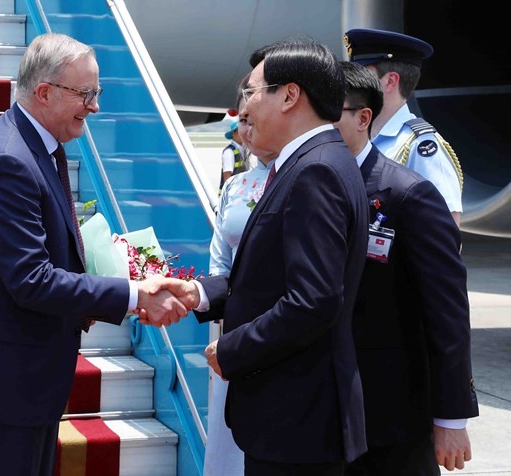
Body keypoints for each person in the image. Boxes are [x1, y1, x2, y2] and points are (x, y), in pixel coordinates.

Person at [0, 33, 186, 476]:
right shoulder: (7, 161)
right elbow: (31, 280)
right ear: (44, 92)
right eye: (86, 94)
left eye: (97, 93)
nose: (95, 106)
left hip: (23, 372)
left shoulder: (38, 146)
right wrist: (133, 294)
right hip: (7, 378)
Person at [150, 38, 370, 475]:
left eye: (251, 92)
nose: (243, 108)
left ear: (290, 95)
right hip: (294, 416)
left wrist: (232, 350)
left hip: (297, 419)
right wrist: (197, 293)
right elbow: (268, 278)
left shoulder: (316, 171)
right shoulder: (307, 163)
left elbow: (313, 300)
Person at [334, 60, 479, 475]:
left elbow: (445, 298)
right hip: (330, 401)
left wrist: (451, 415)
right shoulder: (316, 177)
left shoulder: (415, 166)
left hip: (393, 403)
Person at [204, 73, 276, 476]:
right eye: (242, 121)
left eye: (253, 120)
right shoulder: (237, 187)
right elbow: (219, 262)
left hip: (276, 331)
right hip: (232, 332)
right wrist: (199, 295)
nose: (246, 131)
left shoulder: (305, 177)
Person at [344, 28, 464, 226]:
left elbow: (446, 238)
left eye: (361, 76)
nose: (350, 85)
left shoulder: (421, 147)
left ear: (390, 81)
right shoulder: (359, 137)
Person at [219, 120, 249, 193]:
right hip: (232, 193)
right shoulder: (229, 152)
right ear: (233, 133)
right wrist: (230, 194)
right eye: (239, 131)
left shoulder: (243, 150)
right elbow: (227, 175)